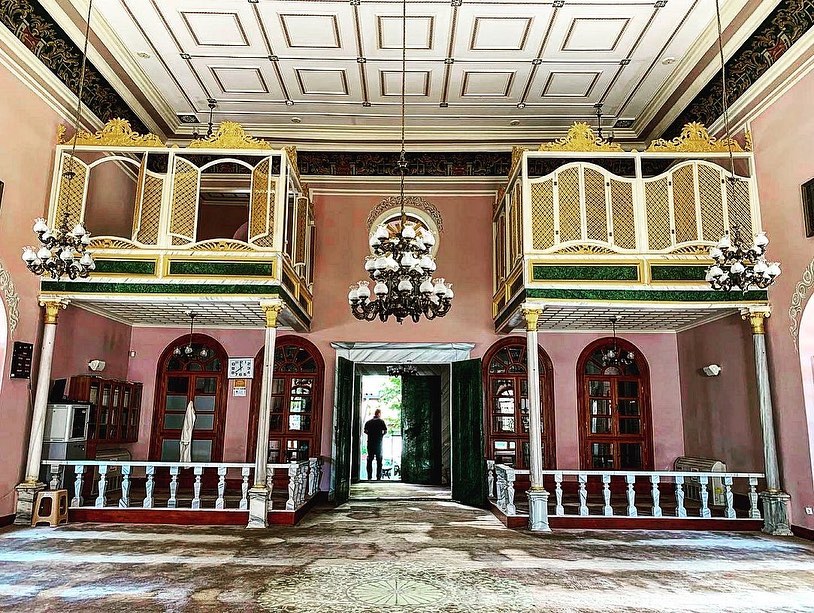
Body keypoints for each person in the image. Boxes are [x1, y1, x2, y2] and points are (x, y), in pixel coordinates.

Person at [363, 409, 387, 480]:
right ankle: (378, 477)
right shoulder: (381, 422)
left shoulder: (368, 422)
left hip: (370, 443)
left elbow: (365, 431)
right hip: (378, 443)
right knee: (379, 460)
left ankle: (369, 476)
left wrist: (370, 434)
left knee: (369, 459)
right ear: (379, 414)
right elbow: (385, 431)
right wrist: (381, 436)